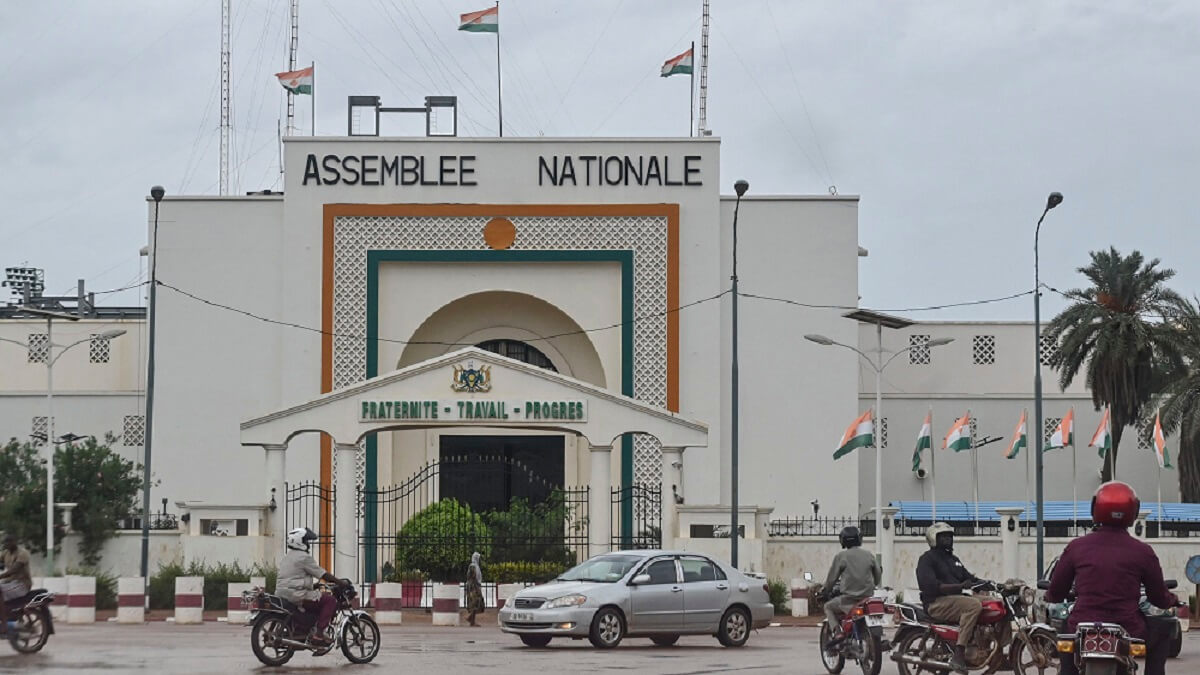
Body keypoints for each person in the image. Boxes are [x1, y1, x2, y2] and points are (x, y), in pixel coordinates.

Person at [1046, 481, 1178, 675]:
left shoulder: (1076, 547)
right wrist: (1172, 600)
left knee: (1066, 635)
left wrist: (1050, 596)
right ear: (1133, 512)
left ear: (1095, 508)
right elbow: (1158, 596)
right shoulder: (1143, 552)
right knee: (1165, 626)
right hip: (1128, 627)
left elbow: (1057, 592)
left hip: (1082, 623)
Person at [916, 522, 988, 674]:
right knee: (973, 605)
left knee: (995, 603)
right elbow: (930, 586)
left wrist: (991, 584)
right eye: (943, 537)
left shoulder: (953, 559)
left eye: (949, 536)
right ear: (933, 539)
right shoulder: (926, 559)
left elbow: (969, 578)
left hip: (955, 599)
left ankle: (997, 650)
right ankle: (959, 652)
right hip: (936, 602)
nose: (948, 539)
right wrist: (959, 586)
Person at [277, 528, 349, 646]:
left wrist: (313, 586)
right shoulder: (303, 557)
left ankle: (305, 629)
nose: (308, 544)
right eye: (306, 541)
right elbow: (322, 574)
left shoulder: (287, 557)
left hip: (283, 593)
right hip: (297, 595)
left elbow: (294, 578)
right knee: (330, 601)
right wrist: (340, 582)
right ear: (299, 542)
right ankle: (319, 635)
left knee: (316, 599)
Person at [820, 526, 881, 649]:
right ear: (859, 539)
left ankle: (838, 632)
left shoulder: (841, 556)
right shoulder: (869, 555)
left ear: (843, 540)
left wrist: (824, 591)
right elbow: (878, 575)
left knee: (828, 607)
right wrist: (872, 585)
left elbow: (832, 579)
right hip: (867, 599)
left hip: (849, 599)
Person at [0, 535, 32, 636]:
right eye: (5, 543)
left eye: (9, 542)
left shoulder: (23, 553)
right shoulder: (6, 553)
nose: (7, 545)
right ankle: (12, 616)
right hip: (11, 583)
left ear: (15, 541)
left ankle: (4, 624)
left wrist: (1, 576)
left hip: (22, 584)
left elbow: (14, 569)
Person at [464, 551, 485, 627]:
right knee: (475, 602)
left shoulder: (476, 566)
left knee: (477, 603)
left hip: (475, 586)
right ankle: (471, 619)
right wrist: (476, 586)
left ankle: (471, 620)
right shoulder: (473, 566)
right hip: (473, 586)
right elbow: (472, 577)